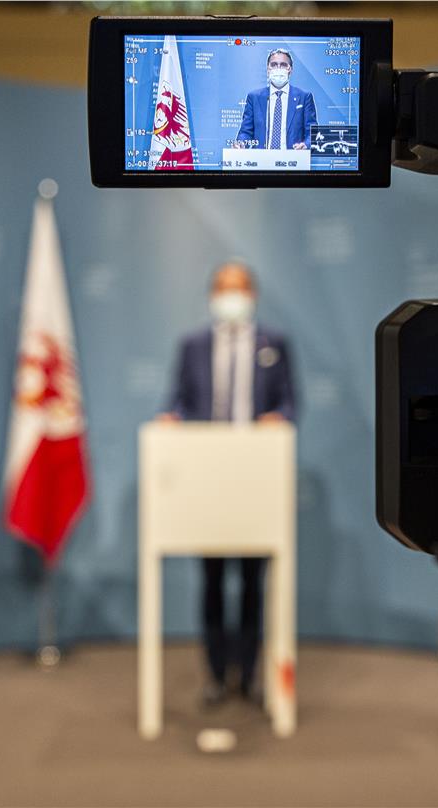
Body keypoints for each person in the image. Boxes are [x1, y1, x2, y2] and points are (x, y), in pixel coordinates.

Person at [163, 261, 296, 706]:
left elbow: (290, 403)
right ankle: (217, 676)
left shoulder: (273, 344)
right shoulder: (192, 345)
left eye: (237, 287)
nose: (230, 296)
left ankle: (251, 676)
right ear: (211, 295)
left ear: (252, 294)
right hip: (208, 481)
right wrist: (172, 419)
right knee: (213, 581)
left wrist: (279, 419)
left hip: (256, 480)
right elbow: (178, 400)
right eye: (223, 287)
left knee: (254, 582)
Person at [235, 48, 318, 150]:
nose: (278, 68)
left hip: (293, 161)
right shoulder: (254, 97)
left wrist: (306, 145)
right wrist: (241, 144)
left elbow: (312, 133)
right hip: (261, 161)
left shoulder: (304, 97)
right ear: (268, 69)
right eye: (273, 65)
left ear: (290, 69)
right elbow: (246, 132)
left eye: (283, 65)